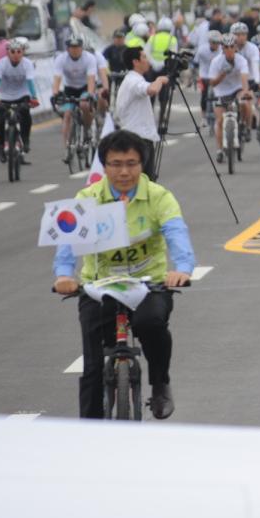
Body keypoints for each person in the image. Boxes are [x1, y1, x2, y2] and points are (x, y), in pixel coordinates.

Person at [53, 128, 194, 419]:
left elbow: (177, 233)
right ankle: (90, 433)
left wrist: (181, 269)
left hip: (148, 285)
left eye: (131, 163)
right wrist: (64, 275)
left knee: (152, 324)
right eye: (115, 164)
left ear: (142, 165)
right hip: (98, 287)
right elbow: (67, 240)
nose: (124, 172)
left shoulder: (158, 197)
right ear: (104, 166)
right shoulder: (87, 197)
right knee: (92, 367)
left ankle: (159, 383)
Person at [112, 45, 166, 178]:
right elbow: (152, 90)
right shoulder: (133, 81)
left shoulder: (132, 79)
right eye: (144, 57)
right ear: (135, 62)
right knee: (144, 183)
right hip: (138, 140)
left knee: (144, 183)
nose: (147, 60)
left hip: (136, 138)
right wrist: (160, 79)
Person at [0, 37, 38, 164]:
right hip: (5, 96)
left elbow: (30, 82)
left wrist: (34, 98)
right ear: (8, 52)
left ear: (23, 52)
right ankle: (0, 146)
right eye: (12, 52)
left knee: (26, 115)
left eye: (19, 52)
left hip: (22, 95)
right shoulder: (1, 64)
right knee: (2, 121)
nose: (15, 55)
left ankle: (25, 139)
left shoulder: (27, 64)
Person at [203, 36, 253, 162]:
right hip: (220, 91)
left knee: (245, 103)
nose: (229, 50)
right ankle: (219, 150)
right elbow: (212, 83)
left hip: (237, 88)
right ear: (222, 49)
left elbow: (244, 78)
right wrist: (222, 75)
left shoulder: (241, 60)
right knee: (219, 120)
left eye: (232, 47)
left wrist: (245, 92)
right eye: (226, 47)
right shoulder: (216, 62)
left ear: (235, 48)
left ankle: (246, 126)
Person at [51, 35, 105, 151]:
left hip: (85, 87)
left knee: (84, 105)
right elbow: (57, 78)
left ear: (82, 48)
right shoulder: (61, 59)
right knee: (67, 114)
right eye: (72, 47)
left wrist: (90, 94)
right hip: (70, 88)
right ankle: (67, 147)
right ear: (68, 49)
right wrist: (55, 94)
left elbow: (91, 78)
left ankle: (87, 128)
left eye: (77, 47)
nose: (75, 50)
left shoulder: (89, 58)